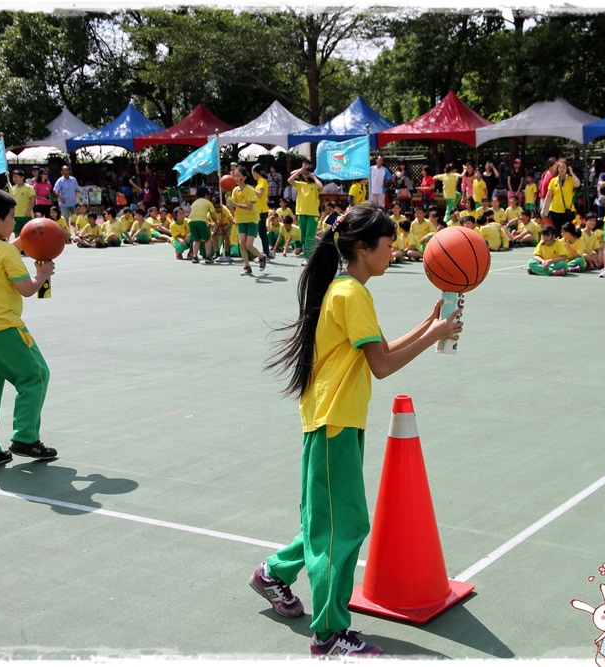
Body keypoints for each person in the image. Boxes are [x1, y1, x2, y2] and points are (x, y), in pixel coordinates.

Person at [252, 202, 461, 658]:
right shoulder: (351, 294)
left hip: (335, 419)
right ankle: (328, 635)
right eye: (388, 245)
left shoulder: (348, 290)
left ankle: (273, 573)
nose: (395, 251)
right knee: (341, 528)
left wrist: (430, 324)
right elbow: (383, 367)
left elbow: (379, 351)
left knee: (327, 521)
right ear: (364, 248)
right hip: (334, 422)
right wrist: (436, 334)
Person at [0, 187, 57, 469]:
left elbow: (2, 250)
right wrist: (42, 274)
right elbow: (27, 289)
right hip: (3, 329)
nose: (14, 223)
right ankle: (25, 437)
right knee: (35, 375)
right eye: (11, 218)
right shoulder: (6, 254)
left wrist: (22, 241)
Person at [540, 158, 581, 228]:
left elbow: (578, 184)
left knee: (567, 231)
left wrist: (571, 172)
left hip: (568, 211)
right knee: (557, 232)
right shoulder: (553, 180)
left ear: (567, 169)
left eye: (564, 168)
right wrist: (543, 209)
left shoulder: (570, 180)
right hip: (555, 210)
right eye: (560, 167)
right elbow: (548, 195)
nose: (562, 169)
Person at [187, 187, 215, 264]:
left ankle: (195, 256)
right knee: (207, 239)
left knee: (196, 240)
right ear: (206, 195)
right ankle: (208, 257)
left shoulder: (194, 203)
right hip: (201, 221)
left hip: (191, 221)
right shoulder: (208, 202)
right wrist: (217, 222)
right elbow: (213, 215)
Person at [251, 164, 273, 259]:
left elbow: (260, 194)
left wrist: (251, 189)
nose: (252, 175)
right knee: (261, 232)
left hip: (262, 210)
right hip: (258, 210)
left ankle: (266, 253)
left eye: (253, 172)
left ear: (256, 172)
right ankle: (266, 252)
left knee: (262, 232)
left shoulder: (263, 181)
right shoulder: (259, 182)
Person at [8, 169, 36, 238]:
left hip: (26, 215)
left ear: (22, 177)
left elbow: (33, 198)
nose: (14, 178)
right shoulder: (12, 189)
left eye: (16, 177)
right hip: (16, 215)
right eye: (13, 177)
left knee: (28, 233)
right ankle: (19, 248)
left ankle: (29, 248)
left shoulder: (28, 188)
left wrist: (29, 209)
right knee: (17, 233)